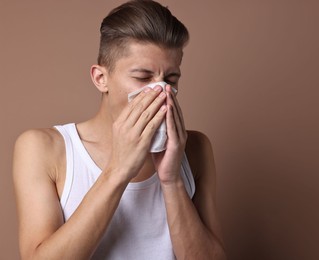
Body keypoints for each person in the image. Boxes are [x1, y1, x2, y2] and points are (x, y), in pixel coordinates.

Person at [13, 1, 226, 259]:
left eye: (170, 79)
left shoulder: (195, 148)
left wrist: (172, 180)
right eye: (142, 77)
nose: (160, 92)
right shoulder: (43, 148)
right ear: (100, 79)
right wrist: (118, 170)